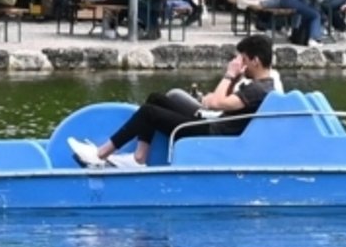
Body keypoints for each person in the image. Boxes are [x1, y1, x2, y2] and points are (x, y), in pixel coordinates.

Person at [68, 35, 284, 168]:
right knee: (156, 99)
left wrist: (229, 75)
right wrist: (231, 82)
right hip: (212, 124)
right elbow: (218, 102)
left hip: (210, 133)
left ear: (255, 61)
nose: (241, 65)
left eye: (244, 60)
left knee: (149, 112)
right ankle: (139, 157)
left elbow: (216, 102)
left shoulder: (258, 89)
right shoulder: (261, 86)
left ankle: (101, 154)